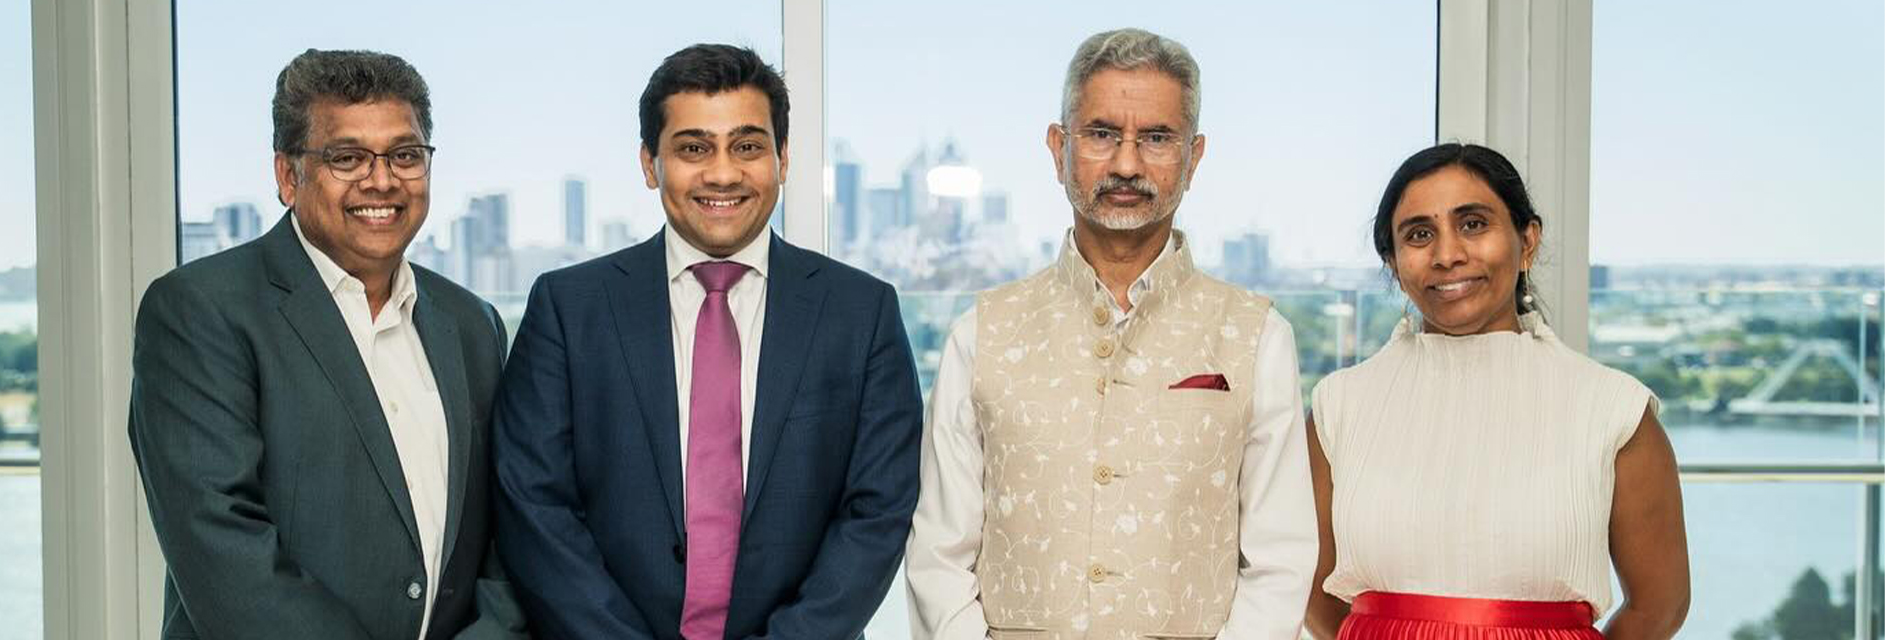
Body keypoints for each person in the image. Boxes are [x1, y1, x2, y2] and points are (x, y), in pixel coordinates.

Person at [492, 43, 924, 640]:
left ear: (784, 158)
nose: (723, 173)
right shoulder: (568, 308)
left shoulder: (862, 313)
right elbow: (533, 507)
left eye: (747, 146)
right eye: (693, 148)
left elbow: (876, 513)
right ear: (650, 164)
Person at [906, 28, 1318, 640]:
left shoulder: (1258, 336)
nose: (1127, 163)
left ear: (1194, 157)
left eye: (1155, 138)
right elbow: (939, 551)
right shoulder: (982, 332)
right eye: (1101, 135)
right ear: (1058, 148)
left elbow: (1280, 559)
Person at [128, 49, 525, 640]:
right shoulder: (198, 311)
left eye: (406, 155)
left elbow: (508, 536)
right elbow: (227, 556)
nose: (383, 179)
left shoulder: (473, 325)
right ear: (289, 176)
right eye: (347, 157)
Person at [1303, 143, 1691, 639]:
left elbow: (1661, 604)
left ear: (1527, 241)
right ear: (1395, 264)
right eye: (1420, 234)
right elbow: (1312, 588)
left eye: (1473, 224)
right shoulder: (1339, 407)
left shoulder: (1614, 409)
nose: (1448, 255)